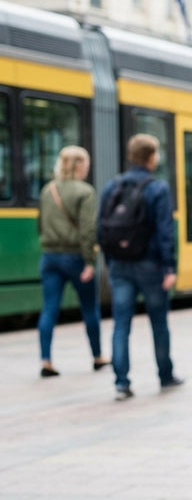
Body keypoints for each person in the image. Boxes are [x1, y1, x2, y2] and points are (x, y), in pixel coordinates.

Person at [98, 134, 183, 400]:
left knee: (121, 323)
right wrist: (169, 267)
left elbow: (101, 227)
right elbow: (164, 231)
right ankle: (165, 376)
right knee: (158, 322)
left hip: (120, 265)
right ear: (150, 157)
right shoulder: (157, 188)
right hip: (151, 265)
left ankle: (121, 383)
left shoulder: (112, 186)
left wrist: (110, 261)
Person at [36, 145, 110, 376]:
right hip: (76, 258)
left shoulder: (47, 190)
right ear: (78, 165)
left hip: (49, 258)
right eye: (86, 163)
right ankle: (97, 357)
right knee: (89, 309)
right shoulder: (85, 191)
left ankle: (46, 360)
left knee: (49, 309)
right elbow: (88, 230)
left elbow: (40, 225)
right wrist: (90, 262)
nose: (87, 168)